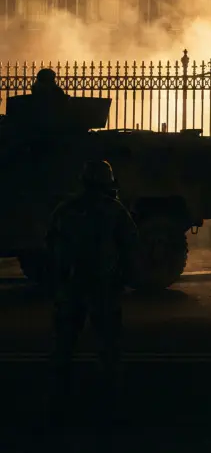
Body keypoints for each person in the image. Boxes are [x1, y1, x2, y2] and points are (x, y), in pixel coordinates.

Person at [46, 160, 139, 423]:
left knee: (64, 344)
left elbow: (51, 245)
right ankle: (111, 405)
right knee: (109, 346)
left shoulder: (66, 209)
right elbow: (130, 245)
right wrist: (128, 278)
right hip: (103, 286)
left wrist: (58, 280)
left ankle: (57, 401)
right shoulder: (115, 211)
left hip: (72, 285)